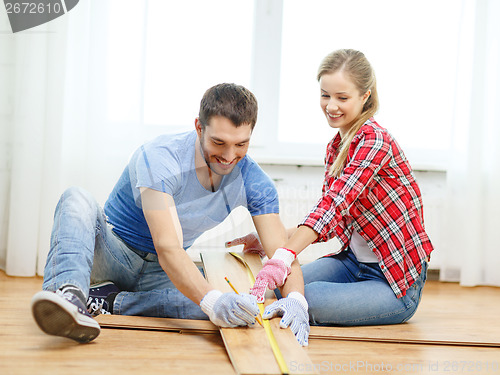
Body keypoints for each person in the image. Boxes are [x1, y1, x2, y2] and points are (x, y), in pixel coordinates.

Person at [31, 83, 292, 344]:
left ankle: (108, 301)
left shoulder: (256, 182)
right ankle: (68, 297)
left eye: (241, 144)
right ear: (199, 127)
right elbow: (167, 245)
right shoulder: (160, 157)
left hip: (161, 274)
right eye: (218, 142)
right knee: (76, 198)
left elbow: (282, 252)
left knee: (232, 307)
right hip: (115, 254)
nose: (229, 155)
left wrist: (296, 301)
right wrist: (211, 301)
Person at [229, 49, 434, 334]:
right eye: (325, 95)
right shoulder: (336, 147)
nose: (331, 105)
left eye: (342, 97)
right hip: (353, 264)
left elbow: (334, 204)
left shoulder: (375, 140)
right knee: (285, 287)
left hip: (394, 282)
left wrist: (284, 254)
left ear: (365, 97)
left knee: (304, 298)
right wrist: (272, 240)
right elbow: (332, 220)